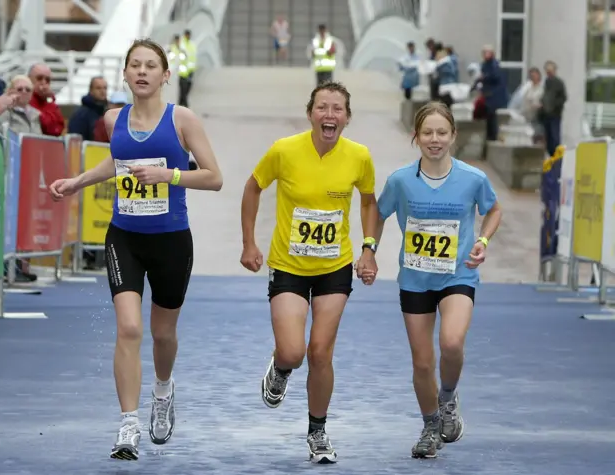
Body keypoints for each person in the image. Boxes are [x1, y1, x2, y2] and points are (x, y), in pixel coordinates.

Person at [48, 38, 223, 461]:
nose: (142, 72)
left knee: (163, 333)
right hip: (124, 236)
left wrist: (169, 175)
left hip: (170, 240)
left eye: (150, 66)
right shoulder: (113, 118)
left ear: (165, 76)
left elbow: (214, 177)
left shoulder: (182, 120)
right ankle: (128, 424)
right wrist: (79, 181)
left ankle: (162, 390)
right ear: (124, 74)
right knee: (128, 328)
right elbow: (118, 160)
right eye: (135, 66)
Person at [240, 81, 379, 464]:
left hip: (335, 266)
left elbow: (369, 203)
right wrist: (249, 243)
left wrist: (369, 248)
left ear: (347, 118)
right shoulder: (284, 150)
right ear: (310, 113)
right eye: (322, 107)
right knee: (293, 351)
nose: (329, 115)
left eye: (337, 109)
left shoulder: (359, 156)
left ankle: (317, 432)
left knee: (320, 353)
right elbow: (253, 188)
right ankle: (281, 366)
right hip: (288, 265)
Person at [356, 101, 502, 459]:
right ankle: (430, 426)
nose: (434, 139)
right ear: (415, 137)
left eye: (441, 132)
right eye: (427, 133)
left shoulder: (473, 178)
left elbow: (494, 208)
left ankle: (448, 397)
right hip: (415, 279)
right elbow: (378, 211)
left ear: (453, 136)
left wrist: (482, 241)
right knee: (422, 363)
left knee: (451, 343)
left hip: (458, 274)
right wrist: (369, 249)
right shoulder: (401, 180)